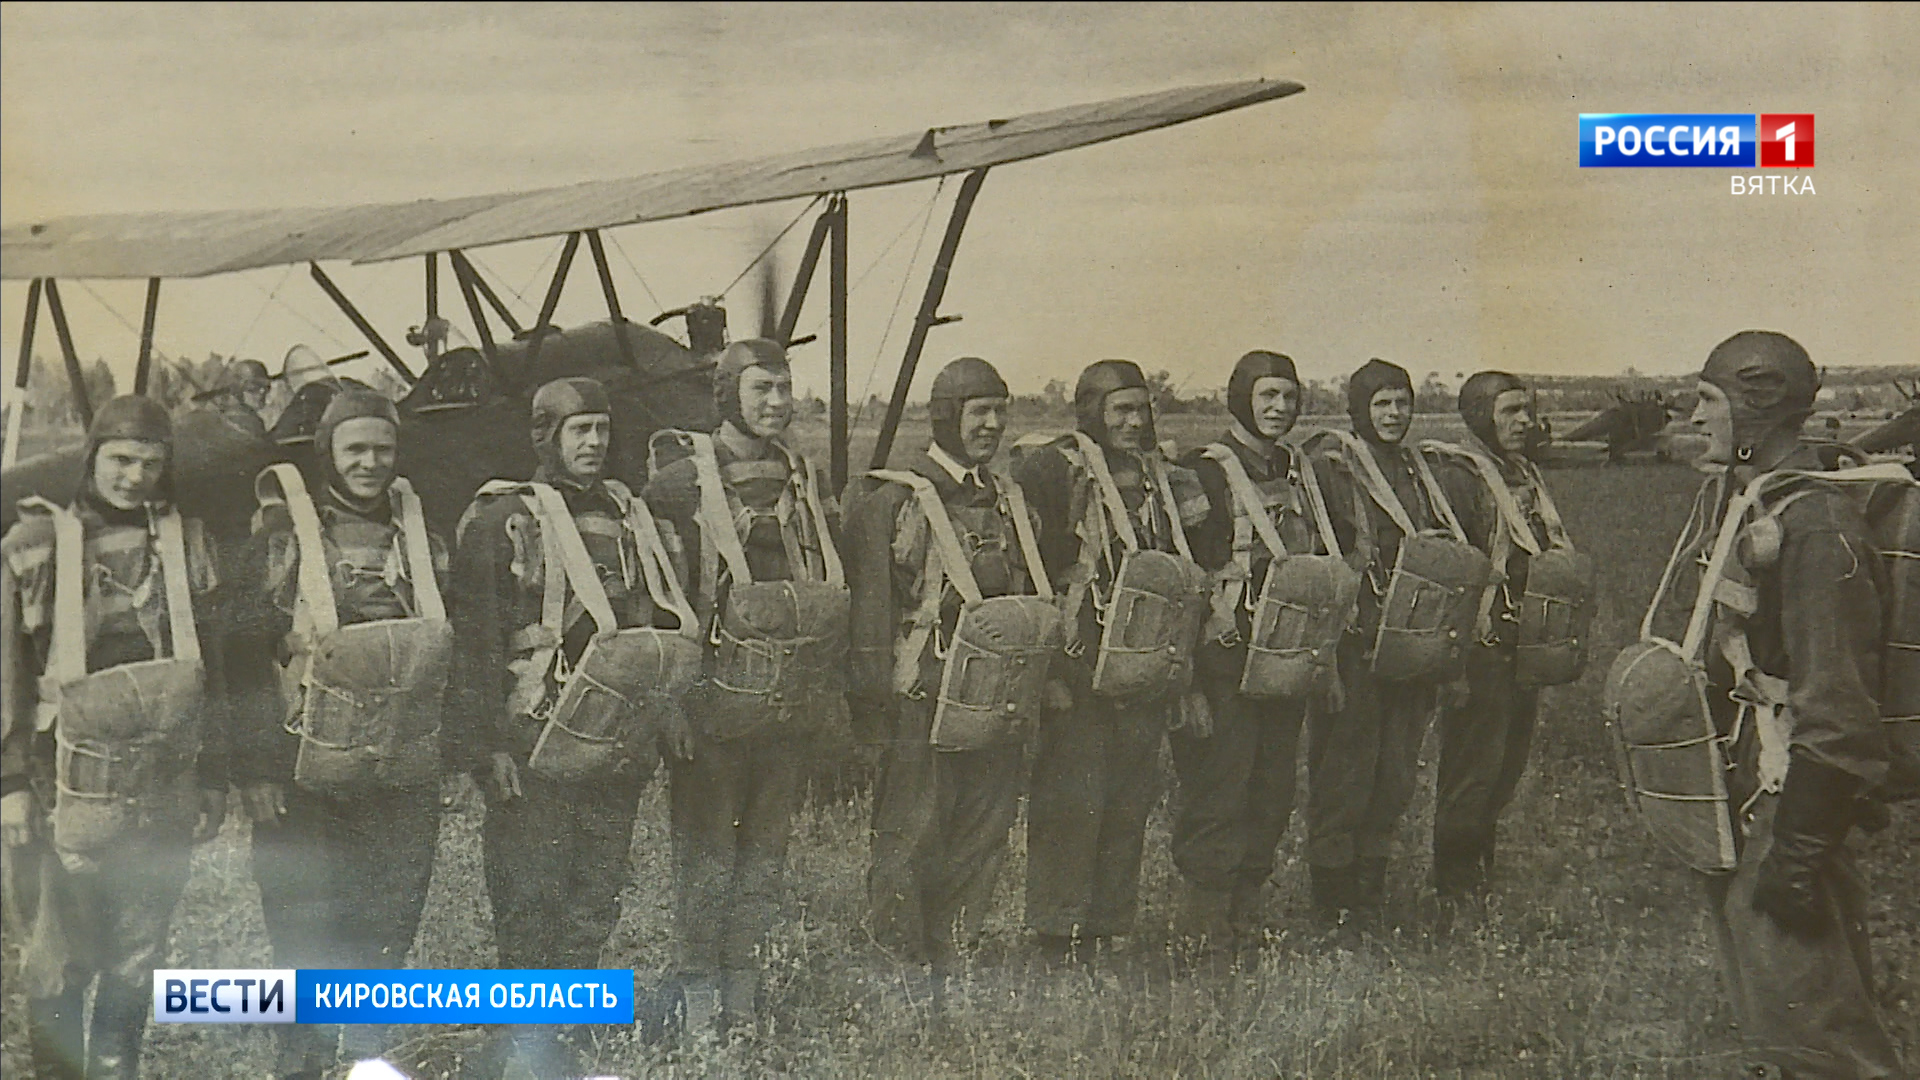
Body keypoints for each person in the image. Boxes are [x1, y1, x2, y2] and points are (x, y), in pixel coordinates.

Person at [1679, 331, 1904, 1079]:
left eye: (1708, 401)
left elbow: (1838, 706)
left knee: (1824, 1040)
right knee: (1779, 1019)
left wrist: (1800, 853)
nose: (1693, 416)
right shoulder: (1752, 501)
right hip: (1755, 788)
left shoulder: (1813, 525)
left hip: (1792, 799)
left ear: (1756, 407)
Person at [449, 377, 683, 1078]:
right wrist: (486, 745)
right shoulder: (503, 520)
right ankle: (524, 1043)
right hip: (532, 739)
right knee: (528, 894)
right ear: (545, 436)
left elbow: (655, 619)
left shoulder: (632, 516)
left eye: (603, 430)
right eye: (579, 430)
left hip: (616, 738)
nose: (595, 444)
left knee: (594, 887)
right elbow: (477, 641)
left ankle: (569, 1027)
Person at [2, 396, 230, 1080]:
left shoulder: (187, 541)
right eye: (121, 460)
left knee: (140, 948)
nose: (134, 477)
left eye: (151, 464)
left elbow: (210, 669)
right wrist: (10, 783)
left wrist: (213, 775)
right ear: (93, 456)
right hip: (57, 779)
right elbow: (5, 670)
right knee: (56, 953)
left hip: (161, 777)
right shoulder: (30, 546)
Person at [228, 391, 450, 1080]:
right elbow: (238, 659)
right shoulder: (279, 536)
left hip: (400, 764)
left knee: (390, 918)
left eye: (382, 449)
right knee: (303, 923)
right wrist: (258, 772)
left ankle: (366, 1058)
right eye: (355, 448)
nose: (370, 462)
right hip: (303, 767)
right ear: (327, 452)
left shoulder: (420, 535)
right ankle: (299, 1064)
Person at [643, 339, 846, 1034]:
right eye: (762, 388)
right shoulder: (676, 485)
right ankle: (697, 997)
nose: (778, 402)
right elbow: (655, 600)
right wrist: (668, 701)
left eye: (785, 388)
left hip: (786, 702)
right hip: (710, 703)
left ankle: (744, 991)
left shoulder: (801, 479)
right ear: (727, 392)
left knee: (764, 855)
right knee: (706, 856)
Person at [846, 357, 1055, 983]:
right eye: (978, 412)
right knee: (912, 831)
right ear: (945, 418)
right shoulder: (891, 498)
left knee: (984, 826)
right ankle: (897, 970)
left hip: (999, 690)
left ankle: (955, 956)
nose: (992, 425)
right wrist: (869, 705)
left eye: (1000, 411)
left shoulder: (1011, 499)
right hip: (921, 692)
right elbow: (871, 610)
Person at [1014, 359, 1209, 957]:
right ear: (1092, 413)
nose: (1133, 421)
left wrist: (1182, 674)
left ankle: (1105, 929)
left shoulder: (1163, 478)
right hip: (1078, 658)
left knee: (1128, 799)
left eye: (1141, 409)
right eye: (1119, 409)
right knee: (1072, 799)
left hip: (1144, 659)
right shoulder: (1051, 469)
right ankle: (1055, 932)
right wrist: (1044, 672)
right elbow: (1029, 568)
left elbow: (1187, 570)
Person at [1173, 350, 1341, 950]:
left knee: (1272, 789)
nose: (1279, 409)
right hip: (1225, 656)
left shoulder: (1299, 470)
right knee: (1221, 787)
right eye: (1267, 396)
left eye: (1289, 398)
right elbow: (1185, 570)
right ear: (1240, 397)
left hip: (1287, 653)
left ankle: (1245, 913)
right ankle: (1206, 929)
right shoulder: (1203, 471)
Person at [1304, 358, 1457, 927]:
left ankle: (1370, 891)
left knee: (1394, 770)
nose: (1394, 415)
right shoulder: (1331, 466)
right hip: (1355, 641)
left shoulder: (1419, 468)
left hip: (1412, 638)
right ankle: (1333, 901)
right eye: (1382, 404)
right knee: (1345, 768)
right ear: (1359, 408)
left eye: (1402, 402)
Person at [1426, 372, 1560, 899]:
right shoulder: (1461, 476)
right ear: (1482, 416)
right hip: (1479, 639)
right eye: (1510, 412)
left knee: (1505, 763)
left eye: (1525, 410)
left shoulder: (1522, 471)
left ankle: (1478, 868)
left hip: (1521, 637)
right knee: (1473, 765)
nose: (1523, 421)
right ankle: (1455, 885)